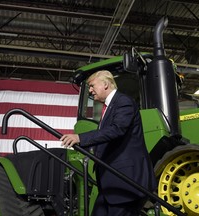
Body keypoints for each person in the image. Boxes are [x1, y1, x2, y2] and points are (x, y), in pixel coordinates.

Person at [60, 70, 156, 216]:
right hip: (111, 184)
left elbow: (117, 130)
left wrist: (80, 138)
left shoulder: (123, 102)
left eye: (92, 86)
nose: (90, 90)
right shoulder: (110, 106)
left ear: (105, 84)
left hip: (125, 182)